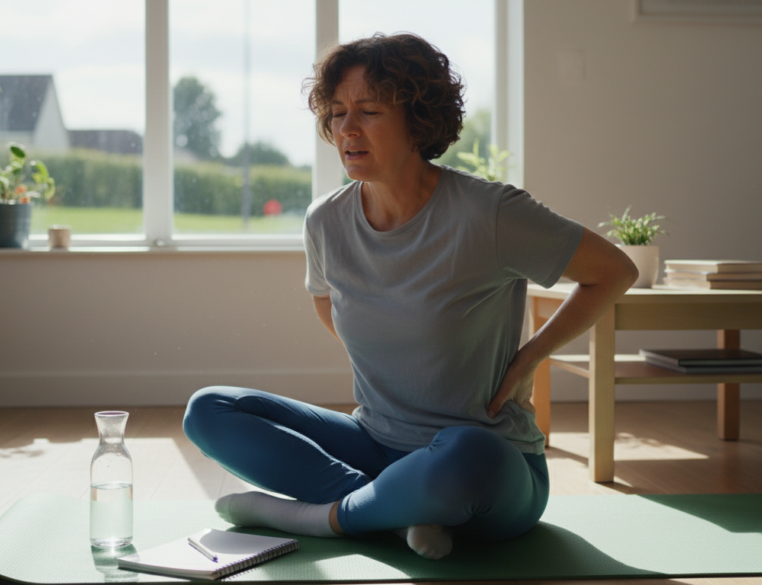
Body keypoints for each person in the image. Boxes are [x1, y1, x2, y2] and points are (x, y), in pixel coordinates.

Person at [183, 33, 637, 560]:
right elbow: (326, 301)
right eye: (336, 113)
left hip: (486, 464)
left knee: (465, 453)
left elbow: (613, 271)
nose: (347, 129)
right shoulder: (326, 220)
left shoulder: (487, 213)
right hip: (375, 443)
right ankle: (394, 516)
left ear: (418, 119)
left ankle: (321, 517)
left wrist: (528, 358)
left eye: (369, 111)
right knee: (209, 409)